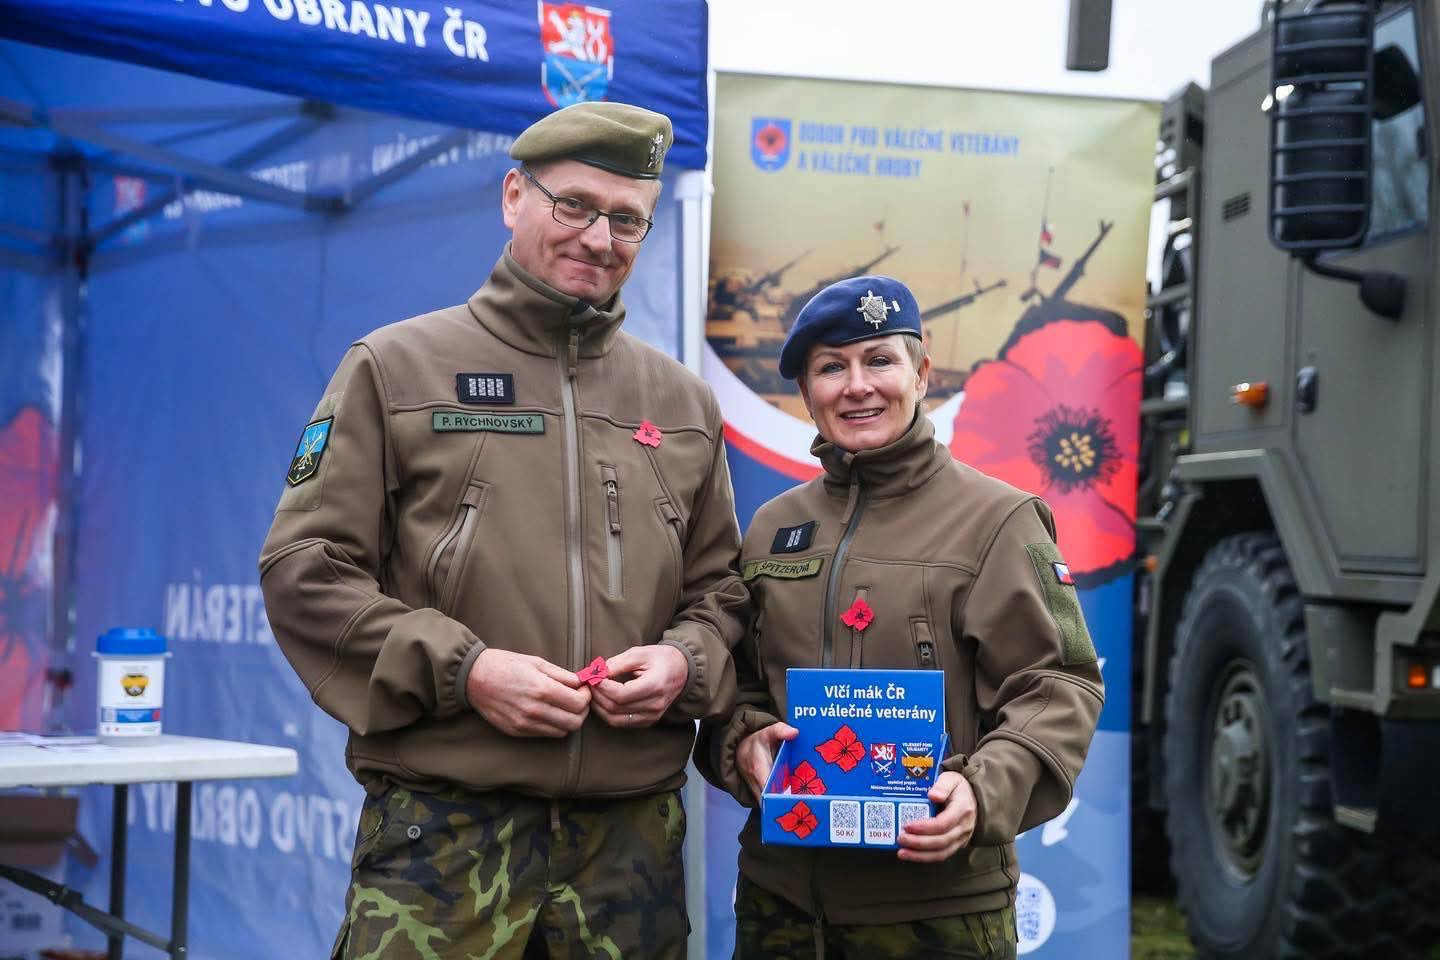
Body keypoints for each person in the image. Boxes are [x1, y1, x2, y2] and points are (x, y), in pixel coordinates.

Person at [259, 101, 746, 960]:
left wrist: (683, 662)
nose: (600, 238)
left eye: (627, 219)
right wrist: (467, 671)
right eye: (575, 206)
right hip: (443, 838)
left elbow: (721, 592)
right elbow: (306, 568)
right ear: (514, 195)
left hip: (629, 852)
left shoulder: (681, 404)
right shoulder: (395, 367)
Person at [695, 275, 1104, 959]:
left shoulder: (999, 521)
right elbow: (734, 687)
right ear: (806, 394)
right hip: (782, 907)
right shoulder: (773, 528)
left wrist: (981, 793)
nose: (857, 386)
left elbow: (1057, 686)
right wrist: (743, 741)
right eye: (831, 367)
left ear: (922, 372)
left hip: (937, 914)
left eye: (878, 360)